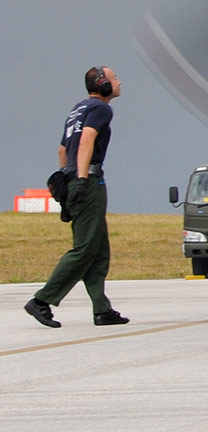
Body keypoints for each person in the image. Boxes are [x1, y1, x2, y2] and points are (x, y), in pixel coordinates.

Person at [24, 66, 129, 328]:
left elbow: (63, 149)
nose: (120, 82)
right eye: (115, 79)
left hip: (73, 179)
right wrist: (82, 180)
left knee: (98, 248)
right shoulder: (101, 109)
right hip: (89, 181)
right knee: (84, 249)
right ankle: (42, 300)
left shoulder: (78, 110)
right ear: (103, 84)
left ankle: (102, 310)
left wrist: (68, 178)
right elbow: (86, 142)